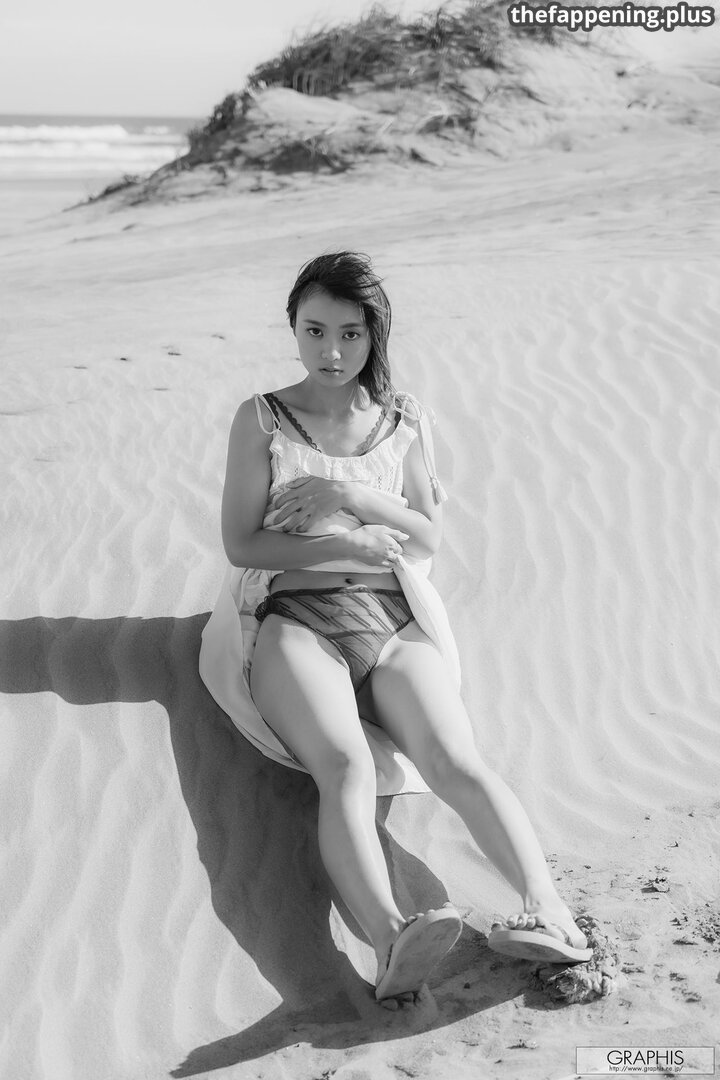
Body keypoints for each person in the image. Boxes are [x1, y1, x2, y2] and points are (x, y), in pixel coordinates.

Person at [200, 251, 592, 1009]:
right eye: (315, 330)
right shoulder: (262, 418)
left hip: (391, 619)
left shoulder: (404, 418)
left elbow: (427, 535)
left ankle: (550, 910)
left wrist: (350, 495)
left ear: (374, 334)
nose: (331, 351)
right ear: (293, 327)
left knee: (455, 760)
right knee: (344, 769)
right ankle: (390, 938)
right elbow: (242, 544)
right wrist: (348, 545)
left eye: (350, 333)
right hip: (299, 622)